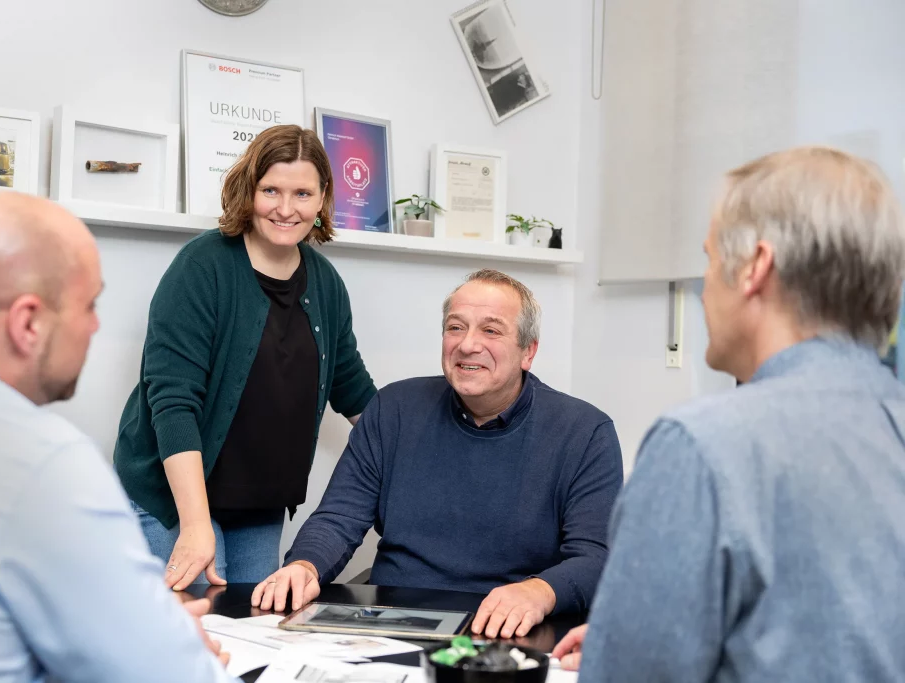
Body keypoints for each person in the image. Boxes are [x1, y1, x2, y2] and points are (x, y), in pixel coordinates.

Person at [554, 146, 905, 681]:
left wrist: (619, 657)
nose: (702, 289)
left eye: (711, 259)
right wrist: (622, 639)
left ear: (755, 268)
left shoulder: (702, 447)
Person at [0, 193, 232, 682]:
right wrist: (173, 643)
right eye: (88, 305)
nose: (95, 325)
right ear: (27, 323)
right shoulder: (41, 463)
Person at [253, 269, 624, 639]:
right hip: (393, 623)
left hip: (508, 631)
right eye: (456, 327)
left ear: (528, 351)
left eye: (491, 331)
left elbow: (596, 556)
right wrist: (305, 566)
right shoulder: (393, 408)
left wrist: (540, 592)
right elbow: (338, 518)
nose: (467, 345)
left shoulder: (585, 432)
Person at [114, 124, 377, 591]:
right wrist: (195, 525)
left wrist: (416, 441)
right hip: (176, 499)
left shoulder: (326, 283)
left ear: (322, 198)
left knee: (256, 624)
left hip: (258, 502)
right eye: (271, 190)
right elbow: (172, 401)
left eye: (302, 194)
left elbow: (352, 386)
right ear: (248, 189)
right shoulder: (203, 266)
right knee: (198, 623)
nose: (285, 209)